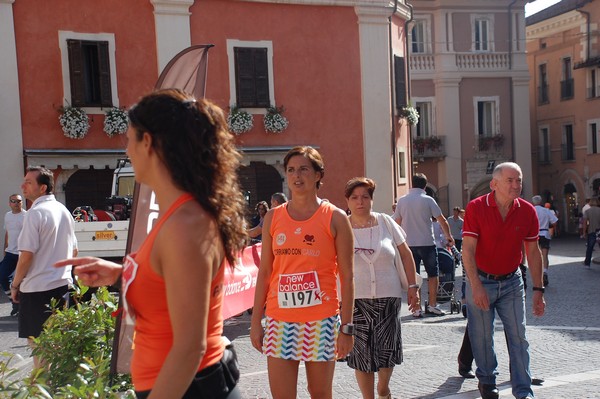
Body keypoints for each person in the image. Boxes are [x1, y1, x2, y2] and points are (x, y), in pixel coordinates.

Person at [55, 89, 246, 398]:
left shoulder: (185, 224)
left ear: (148, 142)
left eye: (129, 139)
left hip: (191, 388)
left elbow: (188, 348)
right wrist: (120, 274)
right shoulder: (180, 216)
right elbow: (171, 286)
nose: (127, 150)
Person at [249, 146, 354, 399]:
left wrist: (347, 328)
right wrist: (255, 323)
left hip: (322, 321)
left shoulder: (336, 218)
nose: (297, 176)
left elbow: (348, 276)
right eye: (291, 170)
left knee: (319, 394)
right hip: (279, 320)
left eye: (304, 169)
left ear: (318, 175)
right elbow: (264, 272)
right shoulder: (273, 218)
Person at [462, 162, 545, 399]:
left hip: (512, 281)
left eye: (518, 180)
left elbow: (533, 251)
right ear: (494, 184)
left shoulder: (527, 210)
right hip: (481, 279)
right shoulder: (476, 207)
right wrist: (475, 287)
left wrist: (539, 289)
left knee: (519, 336)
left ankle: (523, 390)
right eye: (510, 180)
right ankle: (487, 381)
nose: (516, 185)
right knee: (482, 336)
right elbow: (467, 250)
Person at [344, 177, 419, 399]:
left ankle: (383, 389)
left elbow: (406, 254)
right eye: (355, 197)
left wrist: (413, 285)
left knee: (387, 350)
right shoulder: (341, 226)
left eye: (365, 197)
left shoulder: (386, 222)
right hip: (356, 300)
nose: (360, 202)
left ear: (372, 200)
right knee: (361, 354)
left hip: (389, 296)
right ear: (347, 201)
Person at [11, 166, 76, 368]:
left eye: (29, 182)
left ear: (43, 188)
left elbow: (26, 256)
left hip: (37, 289)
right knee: (56, 346)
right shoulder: (64, 211)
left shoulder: (34, 213)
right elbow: (74, 251)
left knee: (39, 350)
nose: (23, 185)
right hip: (62, 286)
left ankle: (41, 391)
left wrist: (15, 285)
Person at [393, 173, 454, 317]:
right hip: (427, 243)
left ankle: (416, 308)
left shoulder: (402, 201)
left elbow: (397, 223)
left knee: (414, 276)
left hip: (408, 244)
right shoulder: (428, 200)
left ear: (411, 184)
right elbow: (442, 220)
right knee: (433, 275)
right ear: (425, 185)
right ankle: (432, 305)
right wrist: (449, 237)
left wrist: (397, 242)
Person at [1, 194, 26, 316]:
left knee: (24, 281)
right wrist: (5, 247)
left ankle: (25, 307)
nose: (16, 203)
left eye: (19, 201)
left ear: (22, 203)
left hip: (23, 253)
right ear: (9, 203)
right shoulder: (8, 216)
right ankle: (14, 301)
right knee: (3, 277)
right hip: (10, 253)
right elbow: (8, 232)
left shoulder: (27, 216)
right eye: (13, 201)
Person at [532, 195, 558, 287]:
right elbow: (554, 221)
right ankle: (545, 273)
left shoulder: (531, 210)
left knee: (535, 256)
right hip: (545, 234)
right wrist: (548, 225)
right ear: (541, 201)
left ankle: (538, 276)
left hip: (534, 236)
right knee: (545, 255)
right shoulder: (546, 211)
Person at [583, 197, 600, 267]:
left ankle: (587, 263)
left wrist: (584, 232)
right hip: (599, 231)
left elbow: (585, 223)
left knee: (590, 248)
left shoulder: (587, 211)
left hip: (591, 231)